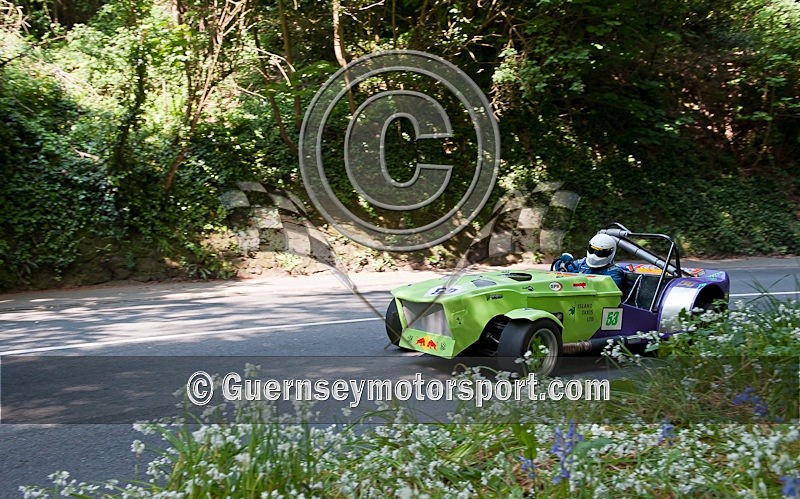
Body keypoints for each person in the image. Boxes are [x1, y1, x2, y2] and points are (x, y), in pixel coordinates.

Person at [554, 233, 625, 287]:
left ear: (610, 252)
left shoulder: (614, 272)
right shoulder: (581, 264)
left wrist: (577, 278)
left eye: (600, 252)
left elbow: (604, 289)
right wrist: (562, 263)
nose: (594, 255)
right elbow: (557, 270)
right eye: (592, 250)